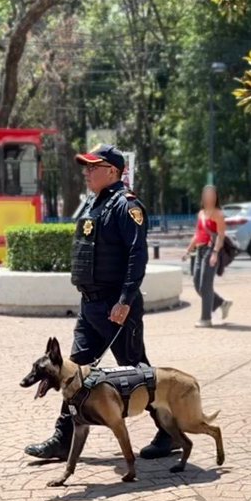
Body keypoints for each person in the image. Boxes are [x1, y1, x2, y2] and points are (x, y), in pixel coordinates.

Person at [24, 144, 176, 460]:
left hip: (115, 307)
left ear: (112, 171)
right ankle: (63, 438)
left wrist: (125, 301)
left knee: (137, 372)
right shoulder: (96, 203)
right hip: (91, 306)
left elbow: (137, 256)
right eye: (86, 167)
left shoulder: (126, 205)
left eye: (93, 167)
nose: (87, 172)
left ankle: (169, 431)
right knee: (73, 373)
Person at [182, 185, 233, 328]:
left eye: (212, 195)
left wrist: (215, 253)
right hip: (199, 251)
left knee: (205, 285)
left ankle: (206, 319)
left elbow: (221, 236)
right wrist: (188, 250)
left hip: (211, 250)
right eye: (206, 194)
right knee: (197, 284)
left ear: (216, 197)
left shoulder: (218, 214)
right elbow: (197, 235)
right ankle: (221, 303)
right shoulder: (201, 213)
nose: (209, 197)